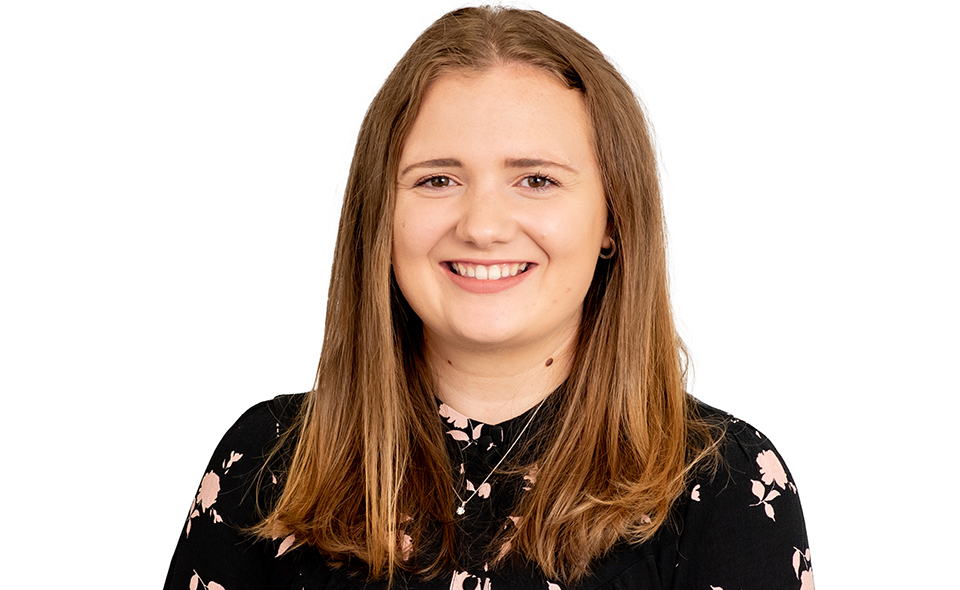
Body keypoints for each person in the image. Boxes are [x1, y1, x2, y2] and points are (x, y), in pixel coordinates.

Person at [164, 6, 813, 590]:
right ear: (379, 215)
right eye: (438, 179)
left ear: (613, 217)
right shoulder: (267, 462)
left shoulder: (724, 486)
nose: (481, 225)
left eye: (535, 179)